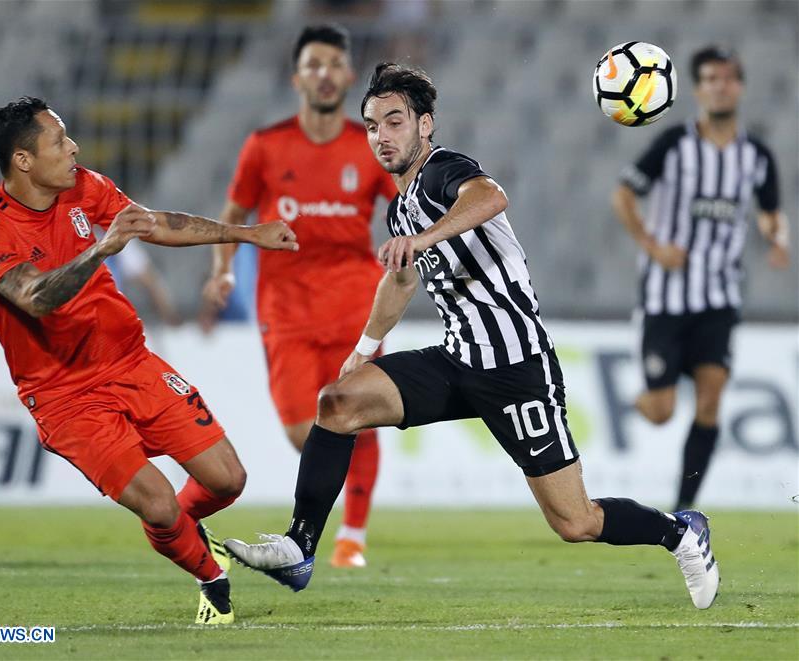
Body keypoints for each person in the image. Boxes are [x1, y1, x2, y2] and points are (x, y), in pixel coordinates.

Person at [224, 63, 721, 610]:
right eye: (370, 126)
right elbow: (402, 279)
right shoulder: (400, 208)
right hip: (458, 359)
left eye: (394, 122)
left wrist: (427, 235)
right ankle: (300, 546)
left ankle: (680, 532)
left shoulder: (443, 169)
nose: (381, 136)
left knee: (576, 522)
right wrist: (362, 349)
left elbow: (491, 197)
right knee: (338, 403)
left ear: (425, 124)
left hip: (515, 366)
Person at [0, 97, 297, 625]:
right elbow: (34, 298)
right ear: (23, 160)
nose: (72, 147)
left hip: (129, 361)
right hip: (63, 395)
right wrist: (98, 250)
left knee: (227, 479)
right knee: (159, 504)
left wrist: (246, 234)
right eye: (58, 140)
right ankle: (211, 577)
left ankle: (181, 533)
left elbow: (155, 223)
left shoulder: (81, 185)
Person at [202, 24, 396, 569]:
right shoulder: (266, 145)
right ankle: (334, 514)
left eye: (334, 64)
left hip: (355, 301)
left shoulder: (368, 146)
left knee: (359, 409)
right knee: (299, 428)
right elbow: (234, 215)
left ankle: (351, 535)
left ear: (350, 76)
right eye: (314, 64)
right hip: (284, 307)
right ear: (297, 77)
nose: (325, 74)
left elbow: (407, 198)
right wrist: (223, 271)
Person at [611, 45, 790, 511]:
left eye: (728, 78)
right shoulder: (673, 145)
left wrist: (777, 238)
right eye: (710, 78)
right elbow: (624, 195)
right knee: (662, 412)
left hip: (719, 298)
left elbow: (771, 213)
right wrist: (653, 246)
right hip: (664, 299)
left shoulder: (757, 156)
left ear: (740, 87)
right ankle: (642, 401)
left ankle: (684, 509)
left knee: (710, 402)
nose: (720, 86)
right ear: (697, 89)